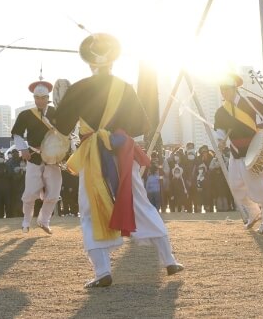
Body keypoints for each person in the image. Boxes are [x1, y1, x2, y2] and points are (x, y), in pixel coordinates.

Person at [55, 33, 182, 288]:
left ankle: (103, 271)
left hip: (92, 154)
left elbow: (62, 125)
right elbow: (139, 125)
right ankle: (168, 259)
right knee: (139, 201)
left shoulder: (78, 88)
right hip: (122, 153)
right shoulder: (124, 87)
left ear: (90, 63)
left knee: (91, 208)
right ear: (112, 62)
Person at [212, 74, 263, 233]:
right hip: (235, 152)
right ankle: (254, 212)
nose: (223, 93)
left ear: (234, 88)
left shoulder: (250, 102)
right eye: (221, 90)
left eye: (226, 89)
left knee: (257, 185)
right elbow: (219, 130)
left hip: (253, 149)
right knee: (236, 187)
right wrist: (220, 140)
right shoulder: (221, 112)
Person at [10, 79, 62, 234]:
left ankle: (44, 220)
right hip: (34, 156)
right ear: (34, 99)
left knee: (54, 192)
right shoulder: (26, 114)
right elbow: (17, 133)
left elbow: (65, 133)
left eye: (43, 98)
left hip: (53, 157)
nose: (40, 101)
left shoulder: (56, 113)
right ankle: (26, 221)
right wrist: (23, 149)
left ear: (48, 98)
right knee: (30, 192)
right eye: (37, 98)